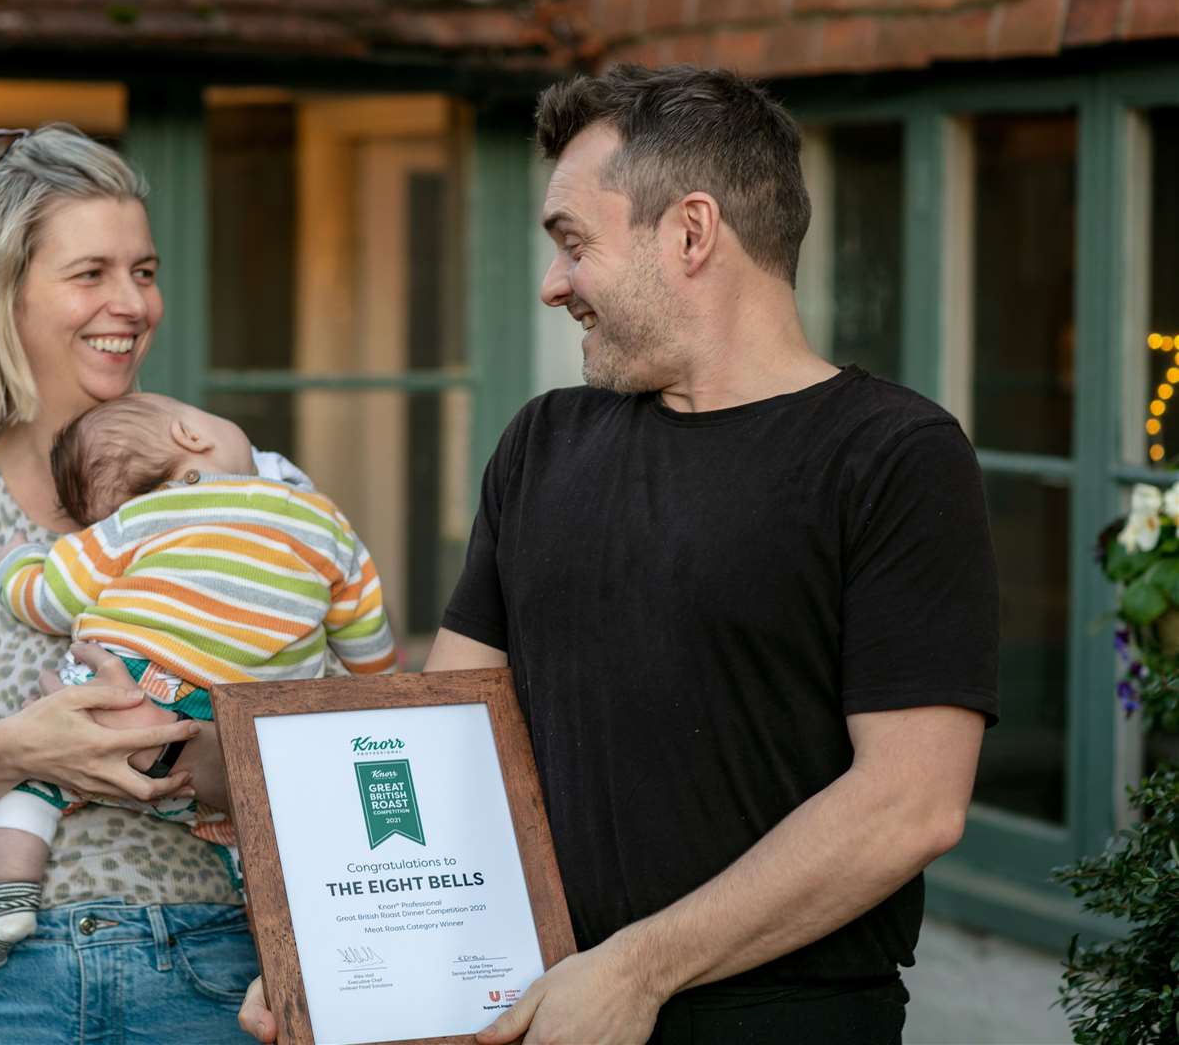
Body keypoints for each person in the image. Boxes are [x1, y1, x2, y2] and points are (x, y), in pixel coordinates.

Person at [241, 64, 998, 1045]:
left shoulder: (893, 456)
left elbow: (910, 804)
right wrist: (330, 956)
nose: (554, 285)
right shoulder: (543, 441)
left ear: (690, 232)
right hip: (536, 1008)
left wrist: (638, 970)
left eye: (572, 243)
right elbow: (445, 740)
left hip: (782, 1021)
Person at [0, 124, 267, 1044]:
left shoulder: (239, 486)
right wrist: (20, 750)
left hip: (212, 978)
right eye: (92, 273)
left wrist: (206, 764)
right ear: (4, 298)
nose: (132, 303)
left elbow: (336, 732)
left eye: (143, 271)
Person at [0, 392, 396, 971]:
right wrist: (383, 679)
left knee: (34, 784)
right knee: (262, 839)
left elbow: (49, 598)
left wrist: (14, 563)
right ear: (191, 435)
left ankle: (10, 901)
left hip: (125, 695)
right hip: (240, 737)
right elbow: (365, 638)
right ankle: (285, 948)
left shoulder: (139, 519)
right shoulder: (321, 521)